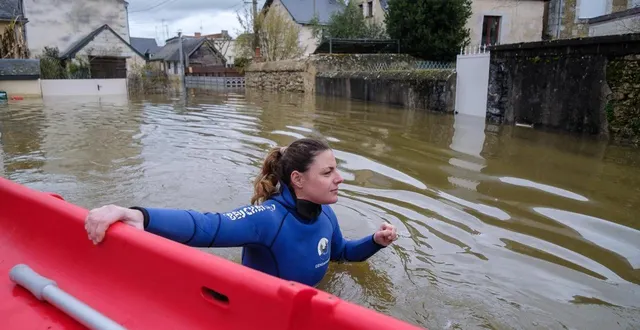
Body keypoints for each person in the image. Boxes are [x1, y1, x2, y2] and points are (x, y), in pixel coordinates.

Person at [84, 138, 398, 287]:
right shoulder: (268, 219)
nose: (340, 178)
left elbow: (341, 253)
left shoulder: (325, 213)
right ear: (298, 180)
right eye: (328, 172)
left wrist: (374, 241)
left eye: (336, 170)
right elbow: (210, 227)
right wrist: (138, 216)